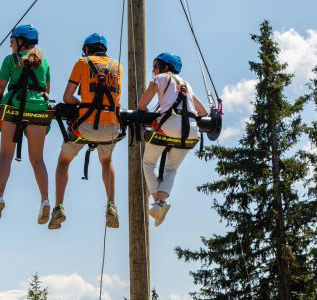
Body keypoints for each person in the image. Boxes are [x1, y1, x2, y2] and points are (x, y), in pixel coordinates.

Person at [48, 33, 123, 230]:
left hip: (85, 127)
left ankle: (59, 207)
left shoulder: (82, 62)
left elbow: (67, 97)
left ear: (87, 49)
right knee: (106, 161)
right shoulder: (118, 66)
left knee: (64, 161)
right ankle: (111, 204)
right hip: (112, 127)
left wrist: (84, 104)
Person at [0, 24, 52, 224]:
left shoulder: (10, 60)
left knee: (5, 155)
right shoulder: (44, 63)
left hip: (15, 107)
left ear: (20, 41)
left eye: (12, 40)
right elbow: (47, 91)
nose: (10, 44)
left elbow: (0, 88)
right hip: (40, 111)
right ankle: (45, 199)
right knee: (37, 160)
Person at [137, 52, 208, 226]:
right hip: (191, 131)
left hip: (168, 126)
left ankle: (156, 200)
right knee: (171, 169)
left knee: (148, 163)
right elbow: (203, 112)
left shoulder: (160, 78)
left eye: (155, 65)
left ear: (165, 67)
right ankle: (160, 204)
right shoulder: (187, 84)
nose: (153, 70)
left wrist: (145, 111)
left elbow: (141, 105)